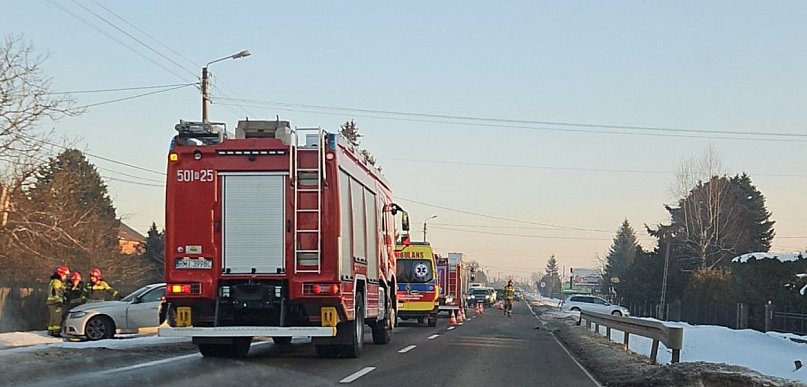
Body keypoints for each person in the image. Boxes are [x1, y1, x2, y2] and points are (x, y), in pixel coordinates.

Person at [46, 265, 70, 337]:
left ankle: (50, 331)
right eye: (65, 275)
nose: (65, 277)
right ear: (61, 274)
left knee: (52, 317)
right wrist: (59, 301)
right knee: (58, 318)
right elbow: (56, 291)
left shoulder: (53, 281)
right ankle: (56, 332)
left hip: (50, 302)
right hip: (55, 302)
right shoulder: (57, 282)